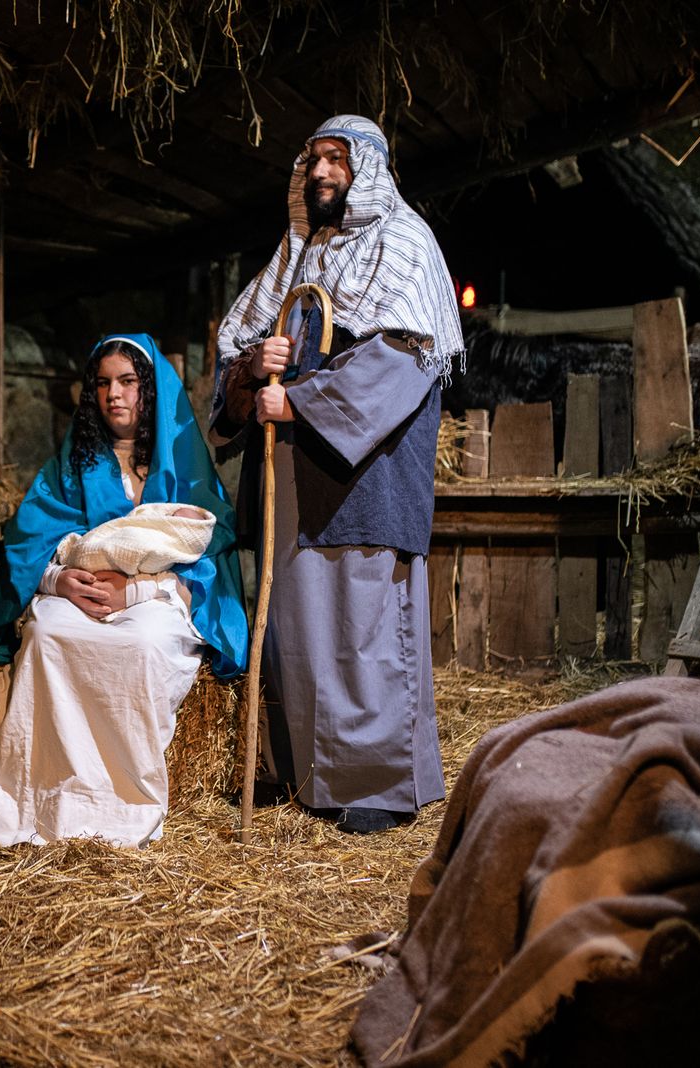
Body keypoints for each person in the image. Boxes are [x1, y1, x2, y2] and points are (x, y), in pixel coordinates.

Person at [211, 115, 464, 834]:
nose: (321, 172)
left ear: (369, 170)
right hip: (290, 480)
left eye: (337, 160)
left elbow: (401, 362)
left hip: (363, 477)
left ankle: (372, 792)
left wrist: (295, 399)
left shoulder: (403, 246)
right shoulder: (295, 256)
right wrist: (252, 370)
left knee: (361, 634)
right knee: (297, 633)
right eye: (313, 159)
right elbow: (243, 351)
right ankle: (298, 776)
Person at [0, 333, 248, 847]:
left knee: (144, 643)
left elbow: (210, 548)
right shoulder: (74, 468)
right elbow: (29, 541)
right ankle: (48, 801)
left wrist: (135, 592)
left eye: (128, 382)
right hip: (79, 595)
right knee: (46, 634)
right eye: (104, 383)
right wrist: (57, 580)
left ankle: (121, 805)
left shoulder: (184, 468)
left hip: (155, 600)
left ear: (149, 390)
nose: (115, 393)